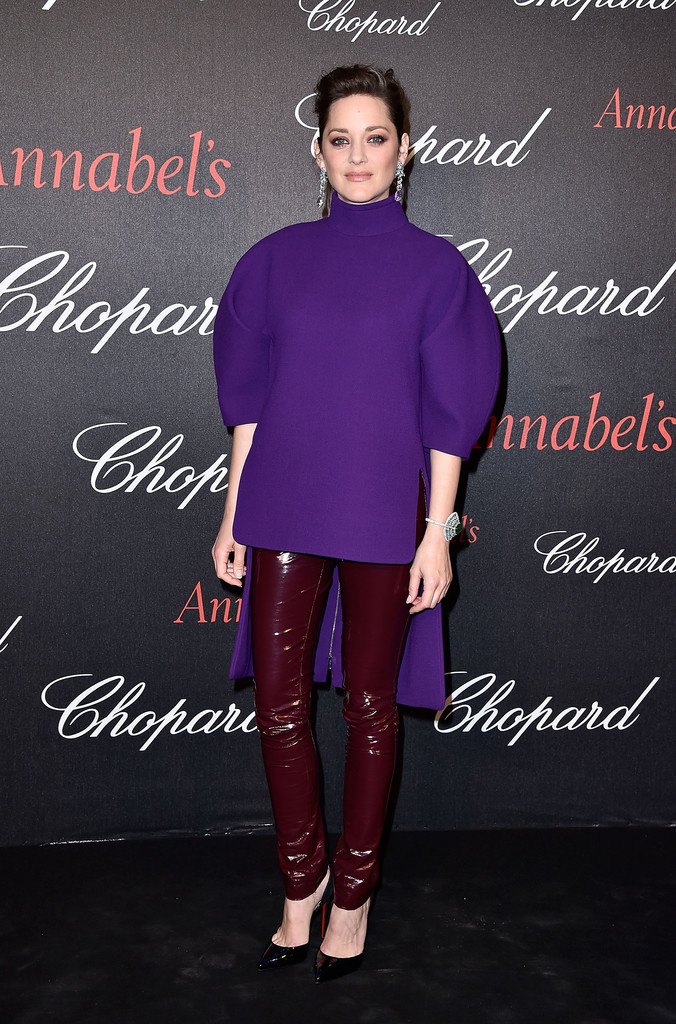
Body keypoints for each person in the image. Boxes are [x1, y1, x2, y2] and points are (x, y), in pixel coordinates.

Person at [211, 64, 501, 983]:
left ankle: (355, 895)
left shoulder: (438, 270)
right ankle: (301, 884)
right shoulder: (271, 261)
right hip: (282, 503)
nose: (358, 155)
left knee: (371, 705)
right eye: (341, 139)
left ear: (404, 149)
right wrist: (233, 515)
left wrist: (438, 533)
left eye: (376, 138)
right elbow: (248, 406)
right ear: (318, 151)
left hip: (385, 510)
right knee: (279, 705)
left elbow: (450, 416)